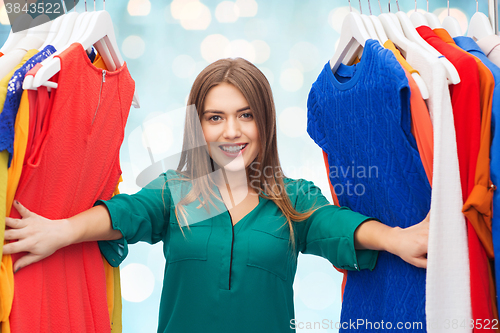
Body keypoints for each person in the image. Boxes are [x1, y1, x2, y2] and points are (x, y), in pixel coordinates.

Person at [3, 58, 430, 333]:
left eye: (246, 115)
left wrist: (398, 238)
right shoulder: (174, 192)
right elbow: (124, 213)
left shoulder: (292, 198)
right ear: (199, 126)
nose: (231, 131)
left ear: (265, 122)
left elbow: (335, 224)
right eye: (215, 117)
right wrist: (60, 231)